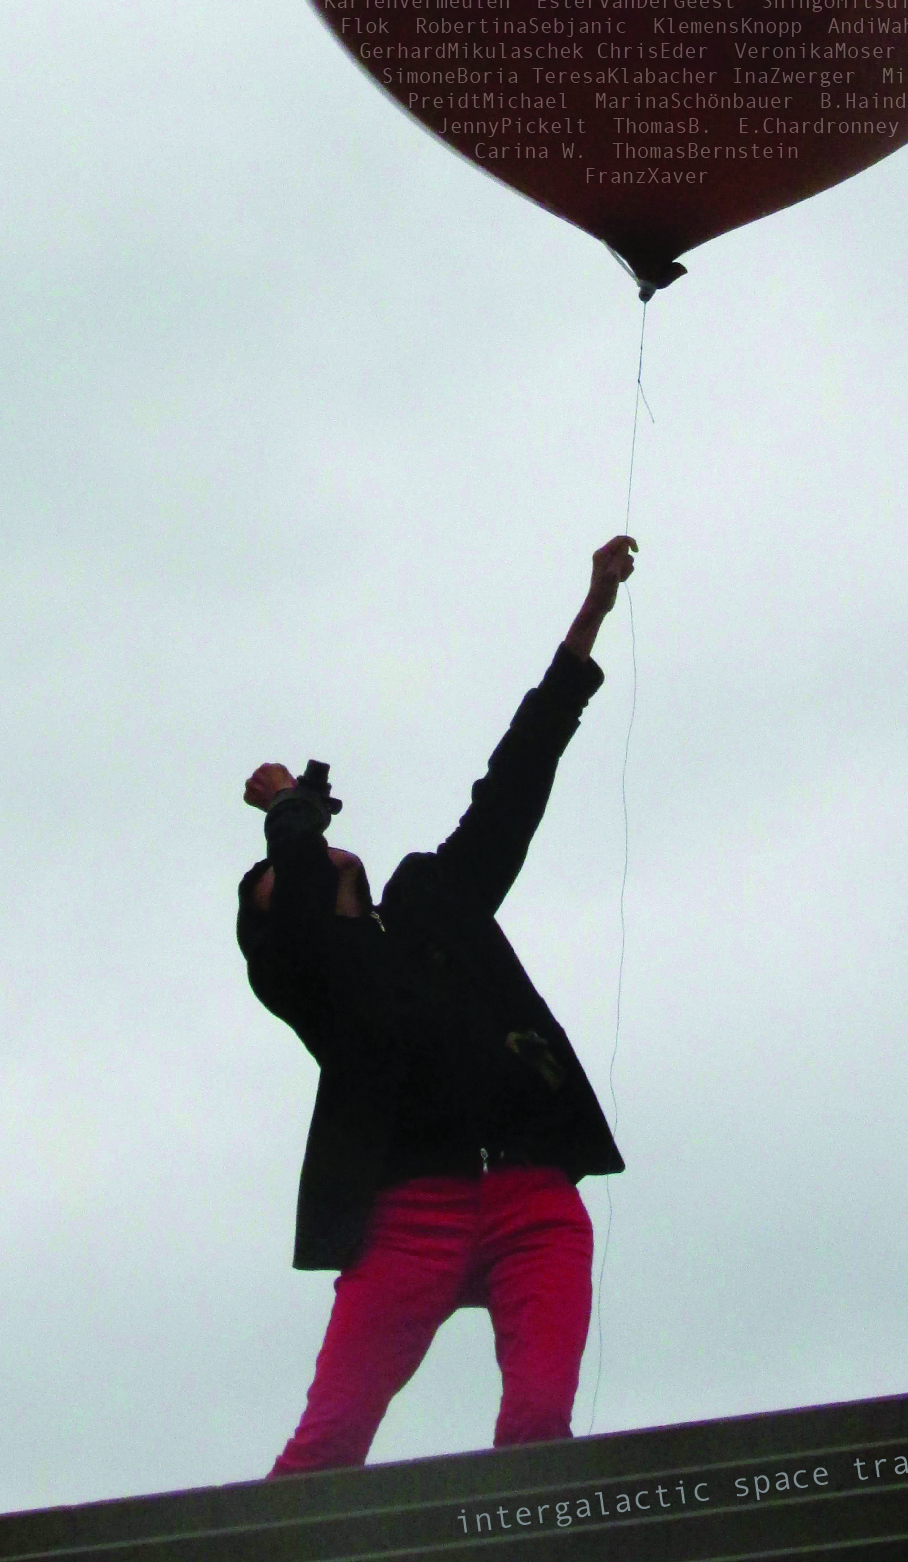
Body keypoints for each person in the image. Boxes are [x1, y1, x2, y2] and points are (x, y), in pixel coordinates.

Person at [237, 534, 634, 1474]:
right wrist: (289, 815)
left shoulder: (430, 901)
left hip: (532, 1197)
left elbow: (515, 784)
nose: (304, 867)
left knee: (537, 1428)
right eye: (275, 881)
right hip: (407, 1215)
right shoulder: (310, 980)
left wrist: (588, 618)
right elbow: (298, 899)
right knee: (328, 1444)